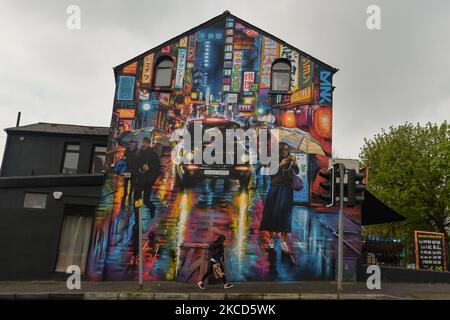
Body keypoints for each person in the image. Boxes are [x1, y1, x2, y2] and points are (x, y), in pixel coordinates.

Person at [260, 142, 299, 254]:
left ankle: (283, 242)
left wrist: (294, 163)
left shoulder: (290, 160)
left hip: (286, 191)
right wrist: (281, 164)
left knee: (285, 215)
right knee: (271, 214)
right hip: (275, 189)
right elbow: (270, 174)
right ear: (280, 150)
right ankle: (271, 240)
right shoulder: (274, 160)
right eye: (284, 150)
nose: (286, 152)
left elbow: (296, 172)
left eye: (287, 150)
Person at [130, 137, 162, 264]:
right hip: (138, 182)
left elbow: (156, 169)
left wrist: (149, 173)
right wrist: (139, 170)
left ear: (148, 144)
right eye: (141, 143)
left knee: (147, 199)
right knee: (137, 199)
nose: (142, 145)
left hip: (147, 182)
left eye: (144, 143)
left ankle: (151, 207)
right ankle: (137, 215)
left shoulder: (153, 155)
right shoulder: (138, 154)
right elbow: (134, 166)